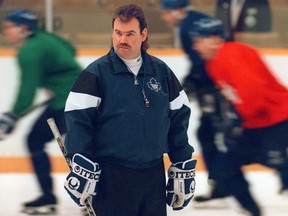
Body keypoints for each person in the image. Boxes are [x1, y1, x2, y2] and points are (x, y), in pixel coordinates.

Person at [63, 4, 197, 216]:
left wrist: (181, 161)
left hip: (153, 177)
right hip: (112, 177)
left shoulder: (160, 72)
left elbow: (178, 117)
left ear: (143, 34)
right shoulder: (96, 74)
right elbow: (78, 120)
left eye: (129, 34)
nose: (122, 40)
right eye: (118, 33)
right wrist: (81, 161)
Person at [190, 17, 288, 216]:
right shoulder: (213, 63)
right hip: (256, 124)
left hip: (276, 120)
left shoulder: (231, 55)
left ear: (214, 39)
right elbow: (235, 97)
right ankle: (253, 210)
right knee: (224, 167)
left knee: (276, 161)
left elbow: (253, 94)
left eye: (198, 40)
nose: (195, 46)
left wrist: (238, 122)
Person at [0, 9, 82, 214]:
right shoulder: (45, 38)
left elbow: (27, 90)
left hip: (67, 101)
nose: (5, 31)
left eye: (9, 26)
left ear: (23, 28)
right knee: (77, 145)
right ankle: (92, 194)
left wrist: (13, 115)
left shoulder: (30, 50)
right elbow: (70, 49)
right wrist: (57, 79)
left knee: (38, 140)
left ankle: (50, 196)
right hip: (76, 96)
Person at [160, 0, 232, 203]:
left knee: (212, 133)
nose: (165, 17)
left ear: (179, 11)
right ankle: (221, 182)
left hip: (214, 87)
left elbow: (203, 60)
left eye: (167, 12)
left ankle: (222, 182)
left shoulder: (188, 27)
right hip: (217, 85)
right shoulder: (198, 19)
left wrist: (192, 84)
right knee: (213, 133)